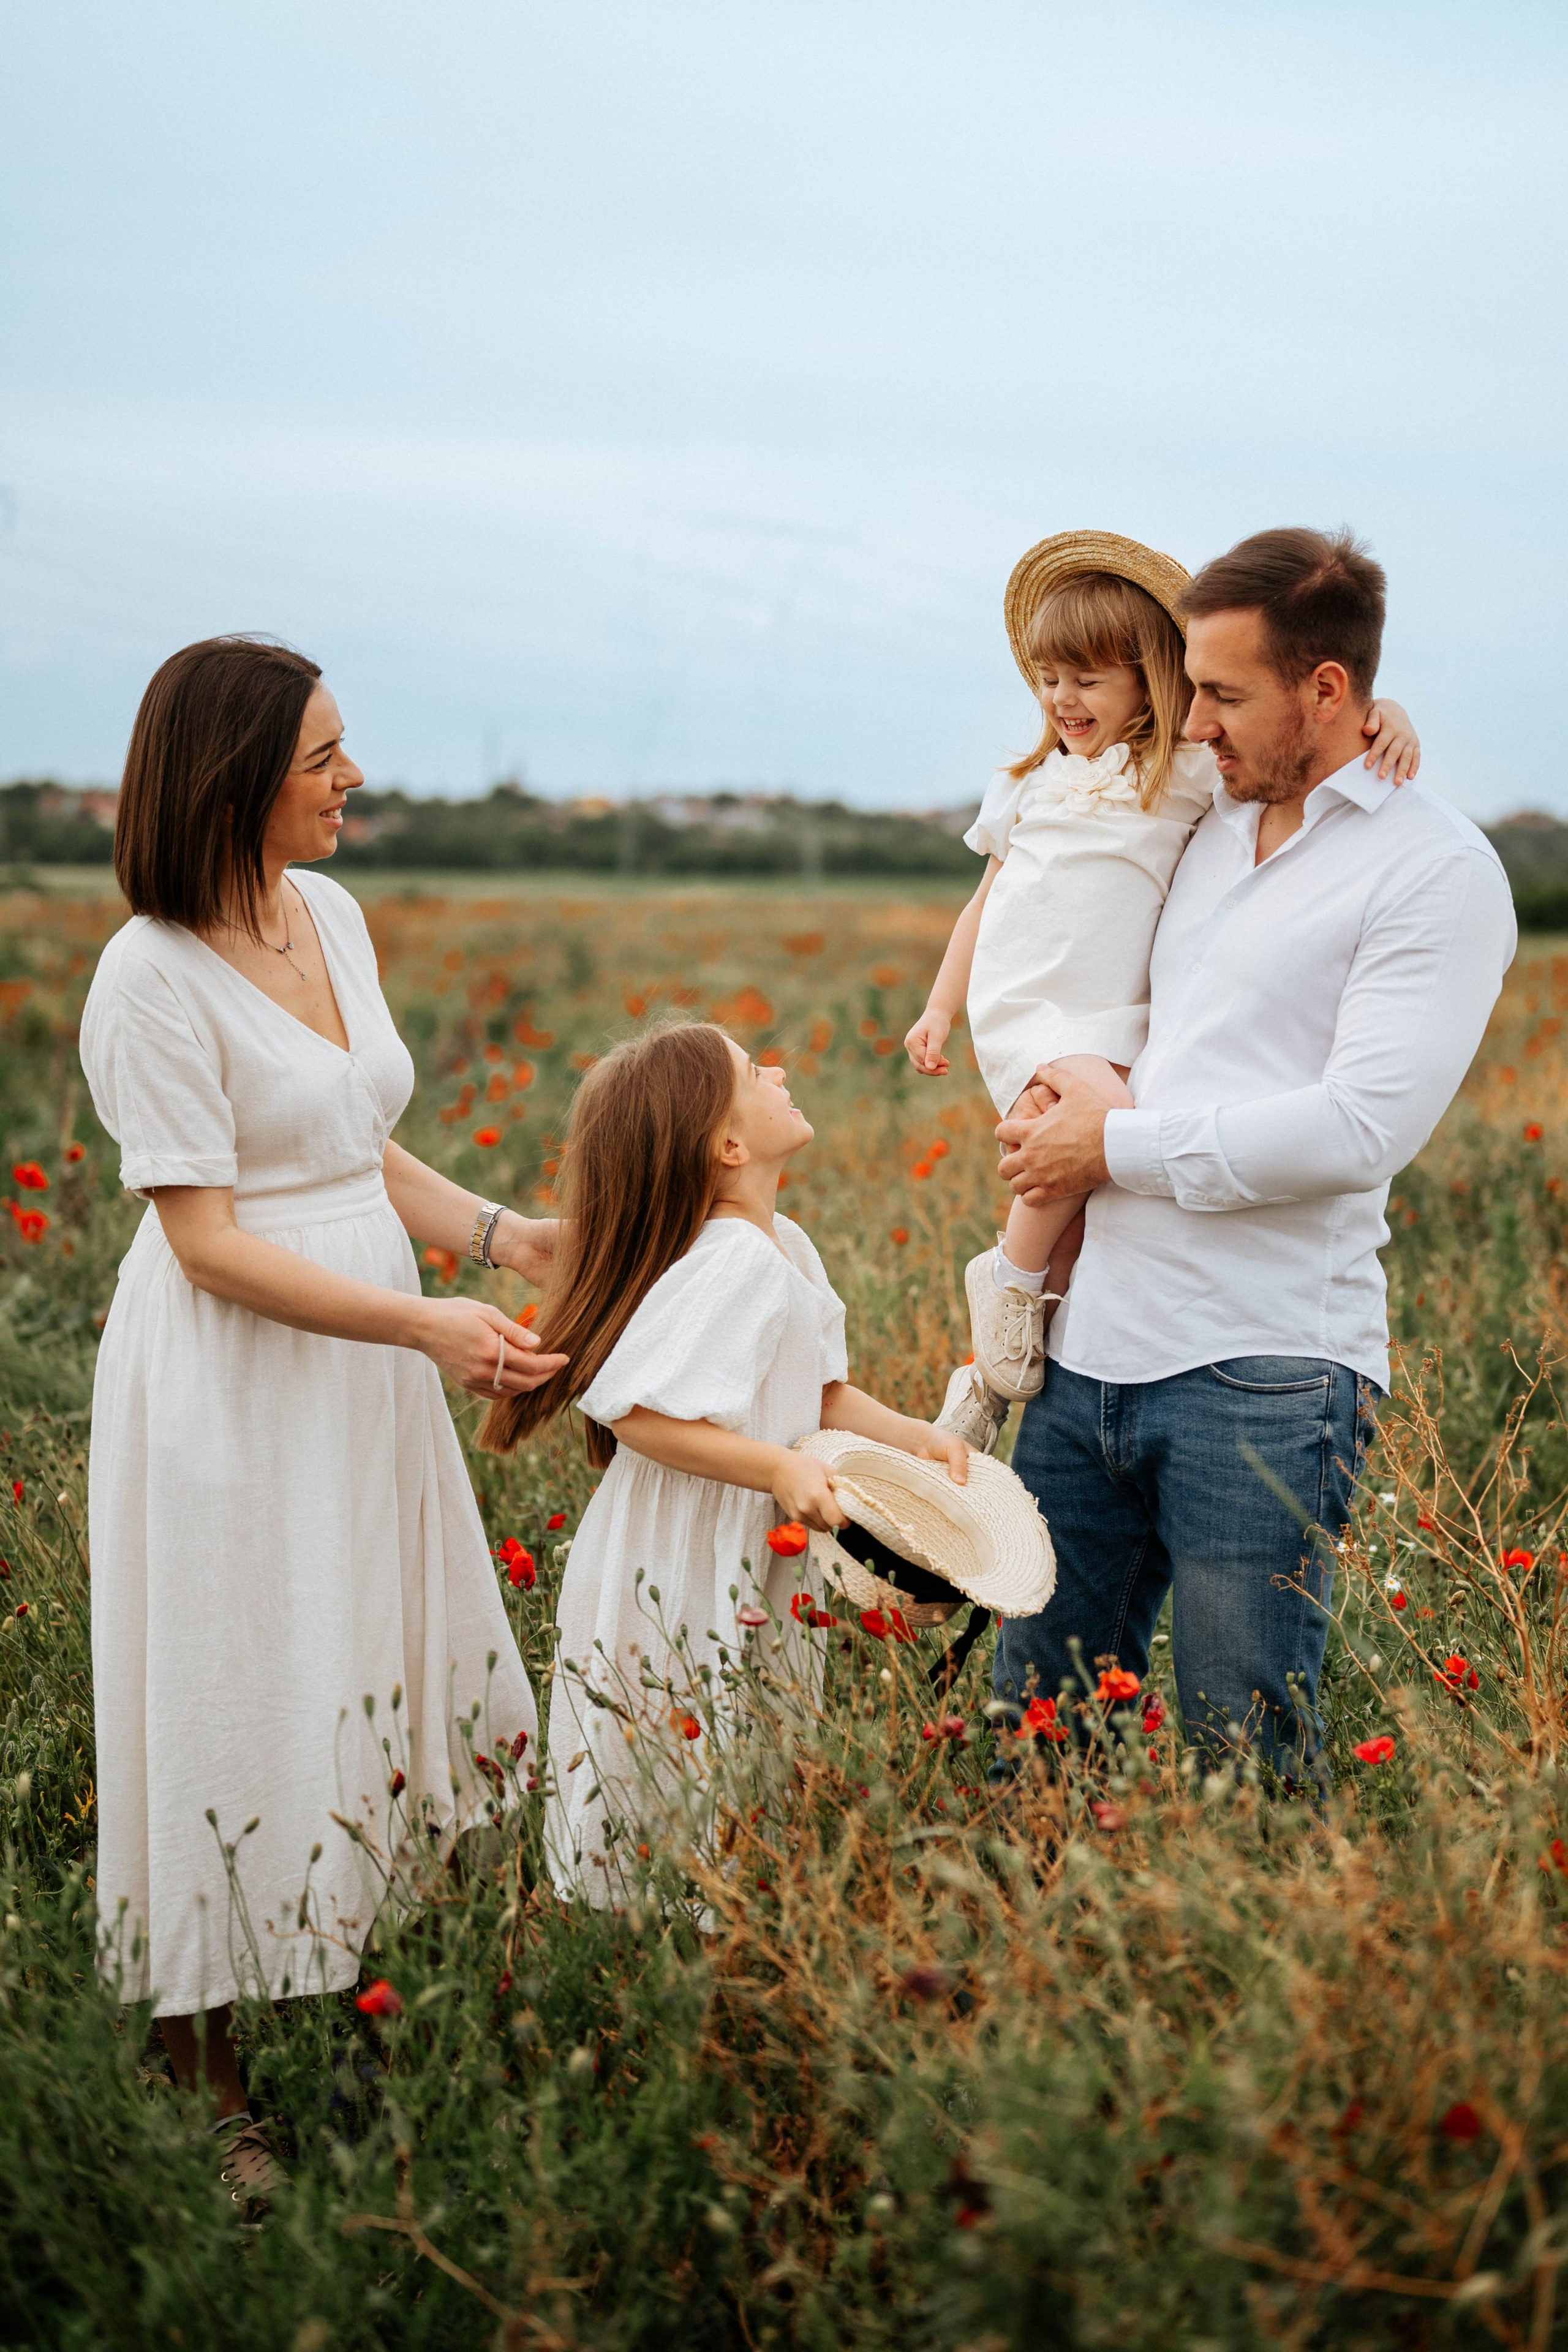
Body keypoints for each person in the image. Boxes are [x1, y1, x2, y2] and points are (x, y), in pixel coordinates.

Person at [80, 636, 566, 2198]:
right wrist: (428, 1324)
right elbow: (210, 1239)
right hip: (232, 1376)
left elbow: (360, 1147)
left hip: (361, 1361)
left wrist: (509, 1239)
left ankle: (339, 2015)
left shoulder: (329, 914)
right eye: (323, 759)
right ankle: (212, 2099)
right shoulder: (148, 975)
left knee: (351, 1665)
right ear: (234, 780)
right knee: (236, 1680)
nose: (353, 778)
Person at [989, 527, 1516, 1774]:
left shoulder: (1431, 870)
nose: (1194, 720)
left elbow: (1356, 1127)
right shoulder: (1202, 819)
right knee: (1037, 1740)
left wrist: (1106, 1147)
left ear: (1326, 692)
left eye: (1221, 695)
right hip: (1085, 1357)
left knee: (1245, 1755)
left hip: (1262, 1372)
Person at [905, 531, 1419, 1449]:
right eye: (1048, 677)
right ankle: (1008, 1282)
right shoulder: (1026, 785)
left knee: (1083, 1211)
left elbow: (1297, 756)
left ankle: (988, 1382)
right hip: (1030, 1004)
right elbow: (983, 904)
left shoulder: (1182, 770)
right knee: (1102, 1118)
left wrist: (1388, 716)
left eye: (1089, 678)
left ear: (1151, 677)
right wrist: (941, 1006)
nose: (1063, 698)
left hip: (1114, 1016)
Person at [480, 1019, 968, 1905]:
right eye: (753, 1069)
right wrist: (778, 1472)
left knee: (741, 1740)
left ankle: (724, 1911)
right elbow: (639, 1416)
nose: (777, 1068)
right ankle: (653, 1936)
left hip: (742, 1540)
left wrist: (912, 1433)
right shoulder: (732, 1259)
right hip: (678, 1550)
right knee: (672, 1747)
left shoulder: (785, 1243)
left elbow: (817, 1392)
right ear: (730, 1144)